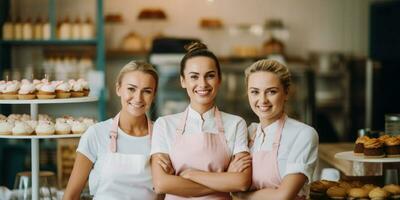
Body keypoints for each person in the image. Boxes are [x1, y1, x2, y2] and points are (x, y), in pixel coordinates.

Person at [151, 42, 252, 199]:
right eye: (194, 77)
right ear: (183, 81)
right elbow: (161, 184)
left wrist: (190, 175)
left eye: (210, 75)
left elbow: (241, 182)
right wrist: (224, 183)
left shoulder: (236, 124)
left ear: (219, 79)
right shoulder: (164, 124)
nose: (203, 83)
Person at [63, 61, 163, 200]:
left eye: (146, 91)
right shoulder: (96, 134)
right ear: (118, 89)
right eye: (131, 89)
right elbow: (71, 196)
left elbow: (163, 195)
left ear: (154, 95)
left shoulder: (162, 135)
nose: (138, 98)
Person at [234, 59, 318, 200]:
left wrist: (241, 195)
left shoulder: (303, 134)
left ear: (286, 93)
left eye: (271, 92)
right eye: (255, 92)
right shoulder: (246, 133)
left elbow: (283, 196)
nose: (263, 100)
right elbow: (231, 182)